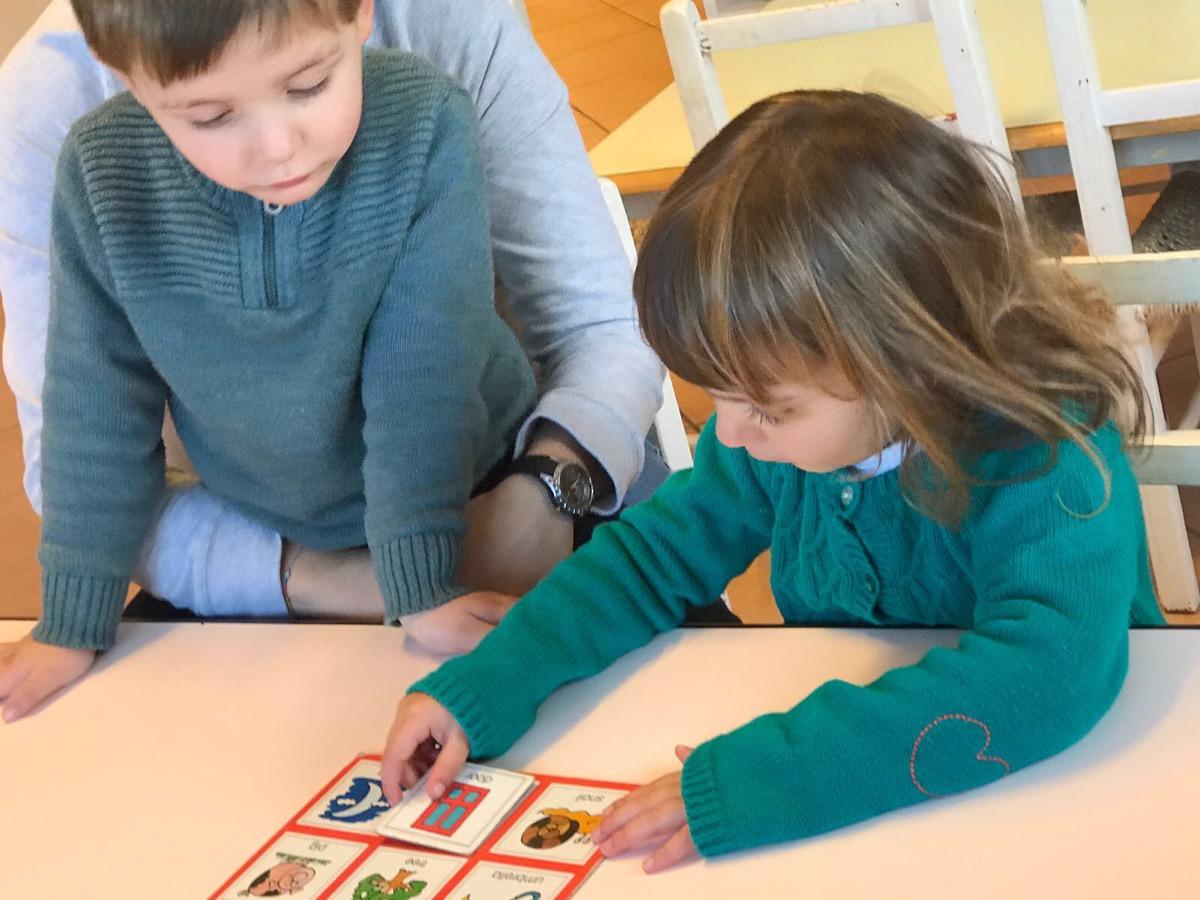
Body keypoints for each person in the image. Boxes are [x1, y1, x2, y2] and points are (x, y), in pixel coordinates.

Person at [379, 90, 1164, 872]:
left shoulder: (1044, 453)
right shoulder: (777, 432)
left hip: (1079, 805)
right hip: (890, 818)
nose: (727, 434)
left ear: (909, 365)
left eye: (768, 408)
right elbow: (650, 560)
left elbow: (1049, 672)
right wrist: (488, 684)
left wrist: (769, 777)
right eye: (715, 397)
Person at [0, 0, 668, 721]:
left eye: (309, 85)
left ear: (360, 15)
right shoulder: (94, 166)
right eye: (211, 117)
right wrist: (70, 624)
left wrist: (424, 587)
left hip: (486, 490)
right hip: (279, 540)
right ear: (124, 76)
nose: (277, 147)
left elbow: (420, 379)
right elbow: (91, 410)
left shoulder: (419, 121)